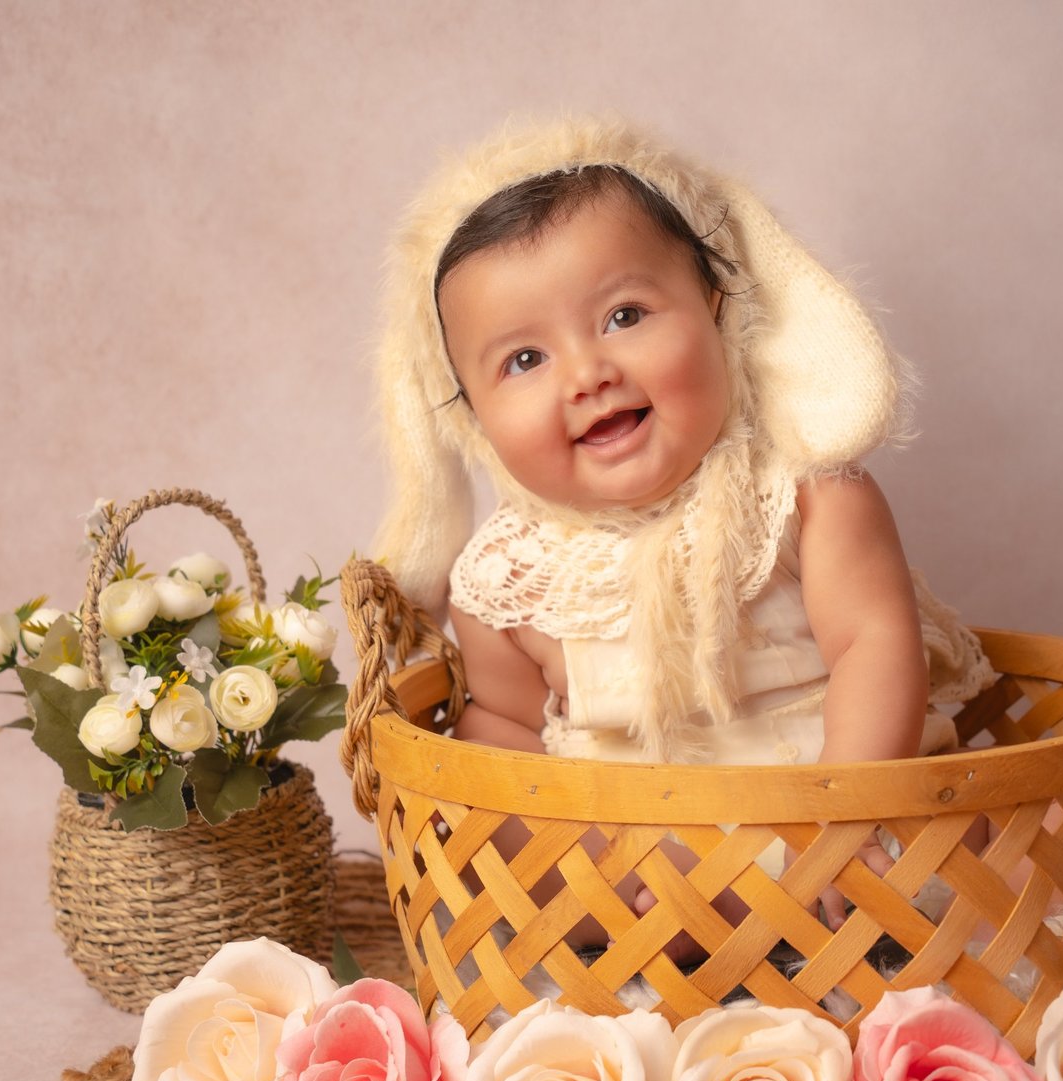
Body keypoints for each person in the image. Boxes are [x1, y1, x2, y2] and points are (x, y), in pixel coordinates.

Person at [371, 118, 992, 949]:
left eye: (625, 314)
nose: (589, 374)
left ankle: (866, 900)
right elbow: (508, 733)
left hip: (847, 837)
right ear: (474, 418)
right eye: (524, 361)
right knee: (529, 847)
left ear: (717, 311)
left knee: (982, 848)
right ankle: (658, 933)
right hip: (647, 880)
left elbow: (875, 645)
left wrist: (847, 815)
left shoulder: (806, 496)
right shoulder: (504, 578)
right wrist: (523, 845)